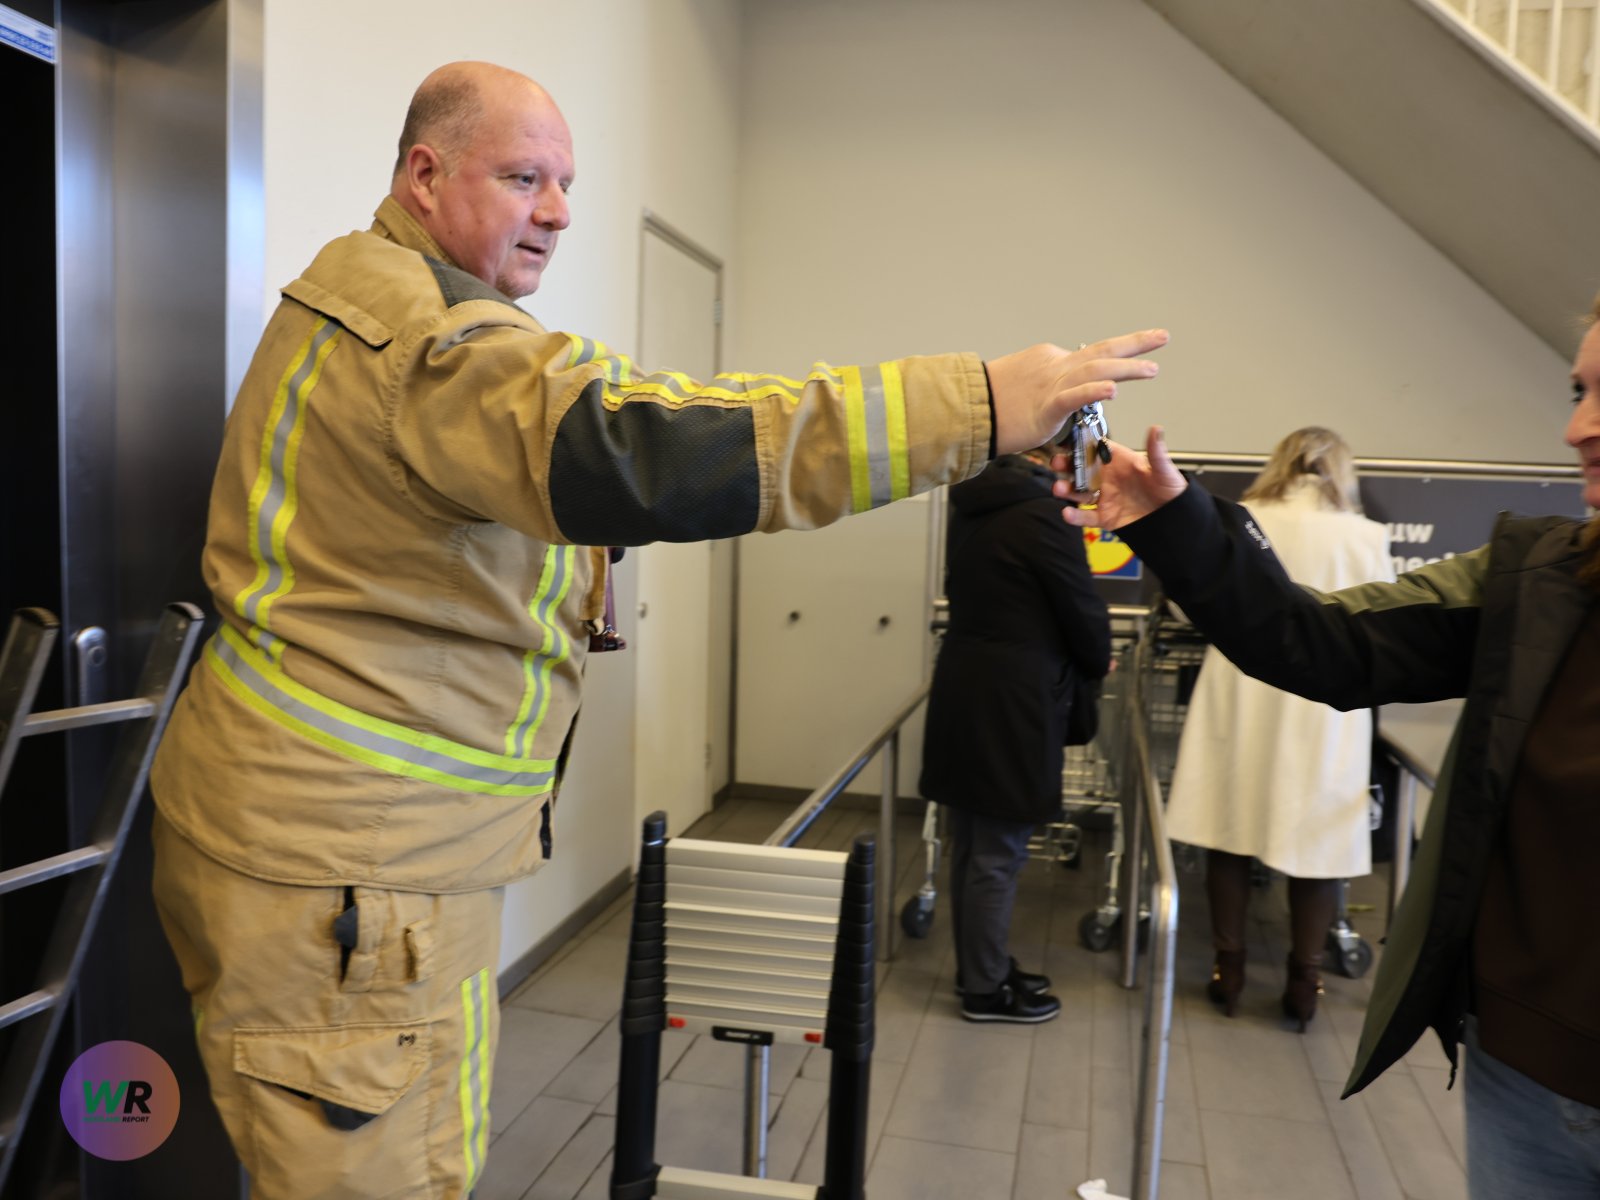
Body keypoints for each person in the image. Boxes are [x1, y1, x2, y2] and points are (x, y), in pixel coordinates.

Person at [146, 59, 1168, 1199]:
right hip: (350, 876)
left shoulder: (359, 293)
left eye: (566, 182)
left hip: (338, 850)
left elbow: (409, 531)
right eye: (524, 176)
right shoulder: (432, 339)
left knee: (416, 1140)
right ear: (425, 176)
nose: (558, 211)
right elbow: (651, 450)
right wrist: (975, 404)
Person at [1062, 298, 1600, 1199]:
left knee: (1242, 845)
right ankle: (1299, 977)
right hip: (1524, 1073)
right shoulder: (1539, 576)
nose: (1576, 426)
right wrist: (1174, 520)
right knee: (1308, 855)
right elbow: (1322, 640)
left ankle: (1238, 967)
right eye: (1581, 389)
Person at [1163, 427, 1393, 1029]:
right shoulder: (1364, 536)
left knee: (1228, 824)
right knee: (1316, 844)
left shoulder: (1244, 519)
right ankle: (1304, 980)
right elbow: (1388, 619)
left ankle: (1228, 969)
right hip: (1326, 699)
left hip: (1241, 688)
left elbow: (1191, 604)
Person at [919, 450, 1111, 1023]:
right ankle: (985, 989)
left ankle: (983, 968)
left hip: (967, 681)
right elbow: (1080, 608)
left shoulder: (975, 504)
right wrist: (1097, 661)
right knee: (998, 849)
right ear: (1057, 458)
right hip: (1016, 698)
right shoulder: (1042, 516)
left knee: (974, 842)